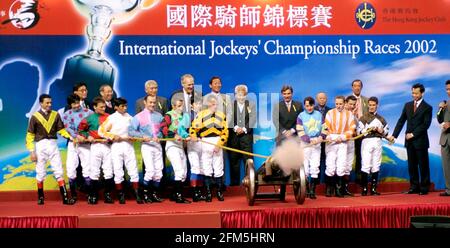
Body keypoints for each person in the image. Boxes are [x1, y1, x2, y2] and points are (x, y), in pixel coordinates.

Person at [26, 94, 74, 205]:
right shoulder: (35, 116)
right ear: (41, 103)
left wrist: (71, 137)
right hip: (40, 146)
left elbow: (61, 130)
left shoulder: (55, 115)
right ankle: (41, 197)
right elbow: (29, 136)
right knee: (40, 171)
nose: (49, 104)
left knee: (58, 170)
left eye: (50, 102)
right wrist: (32, 151)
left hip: (53, 144)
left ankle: (65, 198)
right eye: (47, 103)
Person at [388, 83, 432, 195]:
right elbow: (401, 120)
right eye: (412, 93)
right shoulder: (407, 105)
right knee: (412, 166)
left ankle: (424, 188)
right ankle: (414, 187)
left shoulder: (427, 107)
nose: (414, 95)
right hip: (409, 142)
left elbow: (425, 125)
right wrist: (394, 135)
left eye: (416, 93)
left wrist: (413, 134)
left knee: (423, 165)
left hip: (420, 141)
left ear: (422, 93)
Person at [99, 97, 143, 204]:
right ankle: (120, 195)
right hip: (116, 146)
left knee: (133, 169)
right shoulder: (111, 118)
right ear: (116, 107)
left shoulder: (130, 118)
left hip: (129, 146)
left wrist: (135, 137)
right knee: (118, 170)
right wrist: (113, 136)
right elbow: (101, 131)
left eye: (126, 106)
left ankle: (137, 194)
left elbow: (137, 131)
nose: (125, 108)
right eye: (122, 106)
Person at [190, 95, 229, 202]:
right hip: (205, 141)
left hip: (217, 141)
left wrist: (219, 144)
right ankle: (208, 193)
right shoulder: (201, 114)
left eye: (216, 104)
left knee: (218, 167)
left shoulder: (222, 115)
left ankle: (219, 192)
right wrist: (193, 135)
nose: (214, 106)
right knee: (206, 167)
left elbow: (225, 132)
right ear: (208, 104)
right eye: (212, 104)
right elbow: (193, 128)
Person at [129, 95, 165, 203]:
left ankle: (154, 194)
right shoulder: (138, 117)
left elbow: (163, 130)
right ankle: (144, 193)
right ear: (145, 102)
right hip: (146, 146)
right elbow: (131, 131)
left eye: (154, 103)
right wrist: (142, 136)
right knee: (150, 171)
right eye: (150, 102)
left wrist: (160, 137)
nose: (152, 104)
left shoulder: (159, 116)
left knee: (159, 172)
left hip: (157, 145)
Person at [78, 97, 112, 204]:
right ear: (94, 107)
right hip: (95, 146)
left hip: (107, 146)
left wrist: (111, 137)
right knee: (94, 170)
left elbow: (115, 130)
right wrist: (88, 136)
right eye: (101, 107)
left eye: (104, 106)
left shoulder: (110, 118)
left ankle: (107, 195)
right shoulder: (89, 118)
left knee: (108, 170)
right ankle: (93, 195)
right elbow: (80, 130)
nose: (103, 108)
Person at [62, 94, 93, 203]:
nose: (76, 105)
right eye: (73, 104)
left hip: (85, 143)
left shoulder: (89, 113)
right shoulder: (66, 114)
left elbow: (92, 127)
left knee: (87, 167)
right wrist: (76, 136)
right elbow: (68, 128)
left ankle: (90, 195)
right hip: (73, 143)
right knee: (71, 167)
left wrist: (86, 136)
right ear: (69, 104)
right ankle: (74, 196)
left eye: (77, 102)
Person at [324, 96, 356, 197]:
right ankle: (329, 189)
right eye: (337, 104)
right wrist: (331, 136)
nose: (338, 106)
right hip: (331, 142)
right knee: (330, 166)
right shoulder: (329, 113)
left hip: (343, 142)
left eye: (340, 104)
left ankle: (338, 189)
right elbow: (325, 127)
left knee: (341, 165)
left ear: (344, 103)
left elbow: (352, 129)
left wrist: (342, 137)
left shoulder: (349, 114)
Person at [162, 97, 192, 204]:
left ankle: (174, 194)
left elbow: (184, 131)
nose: (181, 108)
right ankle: (179, 197)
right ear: (173, 106)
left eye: (182, 106)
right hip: (171, 145)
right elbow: (163, 128)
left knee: (183, 172)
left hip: (180, 146)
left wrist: (188, 136)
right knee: (179, 171)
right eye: (179, 106)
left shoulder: (184, 117)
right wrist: (173, 135)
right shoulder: (169, 115)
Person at [296, 96, 327, 199]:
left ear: (314, 105)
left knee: (315, 166)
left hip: (317, 144)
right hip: (305, 145)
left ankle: (312, 190)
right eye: (307, 106)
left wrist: (321, 137)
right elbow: (300, 131)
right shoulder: (301, 116)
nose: (309, 108)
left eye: (311, 105)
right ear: (304, 106)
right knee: (305, 167)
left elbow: (325, 128)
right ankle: (307, 190)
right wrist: (309, 139)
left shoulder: (319, 115)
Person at [358, 97, 389, 196]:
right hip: (367, 141)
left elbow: (386, 131)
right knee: (366, 164)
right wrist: (368, 129)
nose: (371, 107)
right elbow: (359, 131)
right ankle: (364, 189)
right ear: (368, 105)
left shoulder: (382, 119)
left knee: (376, 164)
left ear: (377, 106)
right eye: (370, 105)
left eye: (373, 105)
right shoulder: (363, 118)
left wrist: (381, 131)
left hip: (378, 141)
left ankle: (374, 189)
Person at [228, 85, 256, 186]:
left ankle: (249, 184)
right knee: (233, 162)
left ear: (246, 95)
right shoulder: (230, 105)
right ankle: (234, 185)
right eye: (238, 95)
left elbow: (253, 120)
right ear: (235, 95)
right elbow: (228, 119)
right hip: (233, 138)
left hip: (246, 138)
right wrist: (236, 128)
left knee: (248, 161)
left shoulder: (251, 105)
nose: (240, 97)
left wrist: (244, 129)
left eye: (243, 95)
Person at [351, 79, 368, 185]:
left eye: (359, 86)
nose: (357, 87)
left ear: (361, 87)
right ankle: (345, 180)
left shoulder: (366, 100)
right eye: (355, 86)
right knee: (348, 155)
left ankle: (359, 177)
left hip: (362, 133)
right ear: (352, 87)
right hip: (350, 133)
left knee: (361, 154)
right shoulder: (347, 100)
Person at [315, 92, 331, 184]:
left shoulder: (330, 111)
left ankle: (325, 182)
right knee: (316, 161)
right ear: (317, 99)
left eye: (324, 98)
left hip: (327, 140)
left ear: (326, 99)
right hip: (316, 140)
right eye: (320, 98)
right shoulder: (313, 110)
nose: (322, 100)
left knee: (326, 161)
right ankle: (316, 183)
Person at [342, 95, 357, 196]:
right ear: (345, 103)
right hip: (341, 142)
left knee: (348, 166)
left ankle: (344, 188)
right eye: (350, 104)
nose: (351, 106)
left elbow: (356, 131)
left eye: (354, 105)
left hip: (351, 142)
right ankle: (337, 188)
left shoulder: (354, 117)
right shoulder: (338, 114)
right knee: (340, 165)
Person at [437, 80, 450, 196]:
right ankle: (448, 189)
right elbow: (440, 120)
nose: (448, 91)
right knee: (446, 166)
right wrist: (440, 109)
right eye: (447, 89)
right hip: (445, 139)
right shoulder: (446, 104)